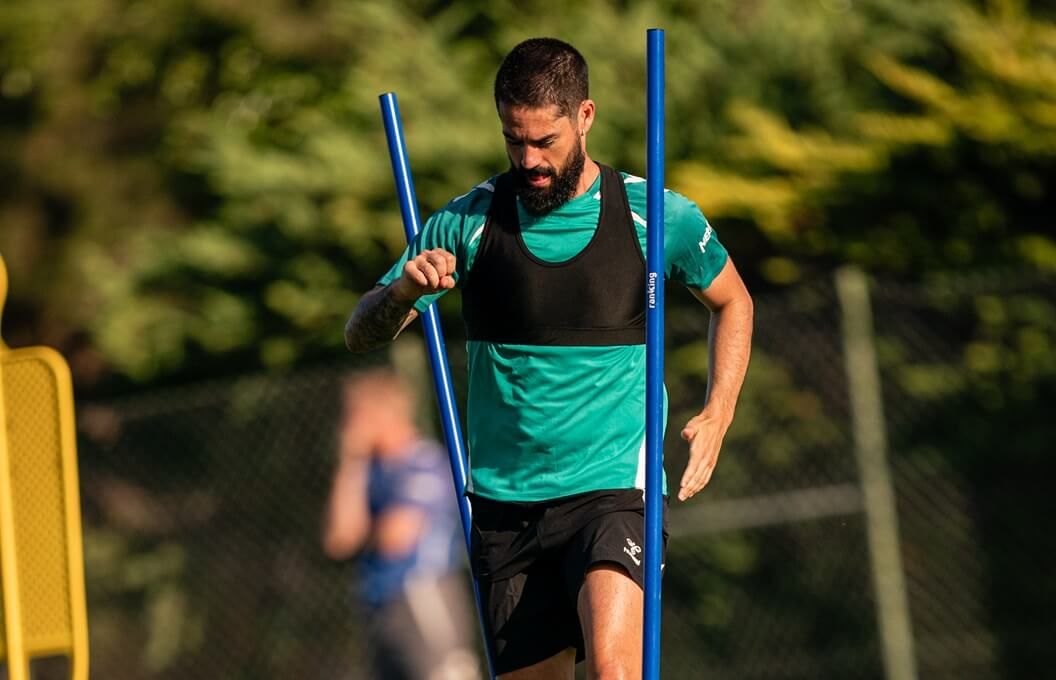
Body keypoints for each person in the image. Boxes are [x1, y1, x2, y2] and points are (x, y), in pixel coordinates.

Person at [344, 37, 753, 680]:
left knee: (615, 671)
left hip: (613, 488)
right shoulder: (468, 223)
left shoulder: (654, 217)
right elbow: (359, 331)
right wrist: (403, 293)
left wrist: (720, 410)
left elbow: (733, 302)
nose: (529, 160)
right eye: (515, 141)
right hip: (506, 507)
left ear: (584, 117)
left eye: (546, 141)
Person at [322, 369, 481, 680]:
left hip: (422, 596)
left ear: (383, 413)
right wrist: (351, 462)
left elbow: (397, 537)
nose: (347, 428)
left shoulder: (424, 464)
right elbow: (339, 539)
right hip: (380, 606)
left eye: (354, 416)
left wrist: (362, 534)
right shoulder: (368, 473)